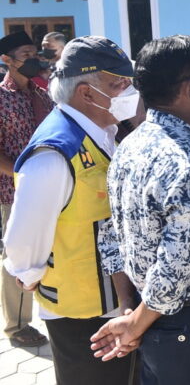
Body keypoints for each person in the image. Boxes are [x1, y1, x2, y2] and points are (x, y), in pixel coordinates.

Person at [91, 35, 190, 385]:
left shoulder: (130, 145)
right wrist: (135, 322)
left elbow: (112, 233)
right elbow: (176, 263)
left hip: (157, 319)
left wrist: (130, 309)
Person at [2, 36, 139, 384]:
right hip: (81, 312)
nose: (127, 91)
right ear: (86, 93)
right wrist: (30, 275)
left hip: (118, 302)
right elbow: (22, 238)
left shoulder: (107, 130)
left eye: (128, 82)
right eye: (117, 84)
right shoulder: (54, 154)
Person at [0, 30, 52, 348]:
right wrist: (21, 177)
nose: (32, 60)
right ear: (6, 61)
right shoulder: (0, 98)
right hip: (13, 191)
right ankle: (17, 325)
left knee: (45, 249)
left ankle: (49, 308)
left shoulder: (43, 94)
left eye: (35, 53)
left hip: (48, 187)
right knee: (17, 253)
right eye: (25, 55)